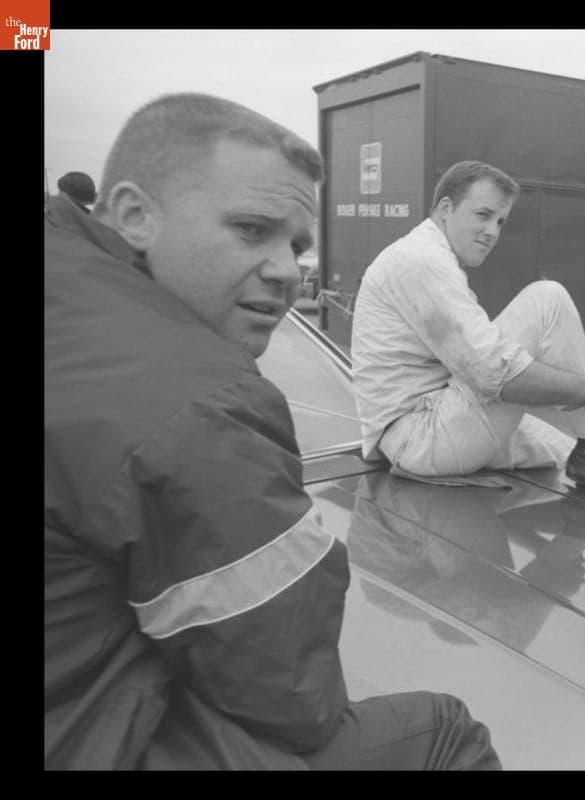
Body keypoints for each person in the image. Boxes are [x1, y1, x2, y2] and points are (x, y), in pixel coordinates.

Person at [45, 92, 500, 770]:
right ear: (135, 214)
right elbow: (294, 696)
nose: (289, 270)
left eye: (297, 245)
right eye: (253, 230)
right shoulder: (195, 402)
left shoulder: (68, 294)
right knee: (443, 730)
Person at [351, 160, 585, 488]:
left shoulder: (426, 257)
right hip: (421, 434)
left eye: (500, 221)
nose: (492, 231)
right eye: (483, 214)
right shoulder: (422, 261)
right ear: (446, 207)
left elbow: (488, 364)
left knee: (561, 451)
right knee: (548, 300)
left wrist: (579, 377)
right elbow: (493, 374)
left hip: (431, 425)